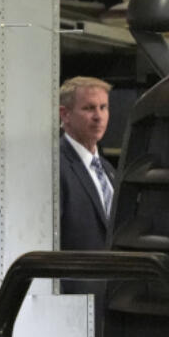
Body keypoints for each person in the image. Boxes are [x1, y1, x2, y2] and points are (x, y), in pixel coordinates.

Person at [58, 76, 115, 252]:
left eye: (103, 107)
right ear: (65, 114)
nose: (98, 116)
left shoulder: (108, 170)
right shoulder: (55, 166)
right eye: (89, 108)